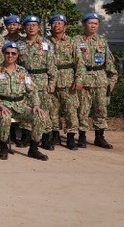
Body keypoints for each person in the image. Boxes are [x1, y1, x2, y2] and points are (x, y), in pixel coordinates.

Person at [0, 42, 50, 161]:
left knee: (41, 116)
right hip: (4, 105)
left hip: (21, 106)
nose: (10, 56)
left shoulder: (22, 72)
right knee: (5, 118)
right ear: (3, 54)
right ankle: (4, 147)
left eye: (13, 53)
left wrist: (36, 105)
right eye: (7, 53)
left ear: (17, 55)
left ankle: (33, 148)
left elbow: (32, 90)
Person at [74, 12, 118, 149]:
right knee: (82, 109)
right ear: (84, 24)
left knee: (101, 109)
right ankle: (82, 137)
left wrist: (113, 79)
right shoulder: (75, 40)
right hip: (83, 78)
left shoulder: (102, 41)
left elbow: (109, 61)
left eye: (95, 23)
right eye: (90, 23)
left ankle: (100, 137)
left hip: (100, 79)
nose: (93, 26)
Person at [17, 15, 58, 150]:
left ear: (39, 27)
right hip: (25, 81)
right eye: (28, 25)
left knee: (45, 110)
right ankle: (26, 137)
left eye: (34, 25)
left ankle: (46, 138)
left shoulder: (46, 44)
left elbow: (51, 65)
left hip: (42, 80)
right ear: (24, 28)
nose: (31, 27)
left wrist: (52, 82)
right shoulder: (19, 44)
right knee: (27, 108)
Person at [47, 14, 85, 150]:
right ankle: (55, 135)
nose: (56, 25)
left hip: (68, 82)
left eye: (59, 23)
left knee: (70, 110)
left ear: (65, 26)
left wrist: (79, 79)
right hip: (50, 82)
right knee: (53, 110)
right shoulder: (45, 42)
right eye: (54, 23)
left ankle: (70, 137)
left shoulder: (72, 42)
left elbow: (80, 63)